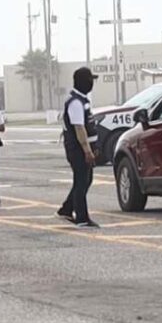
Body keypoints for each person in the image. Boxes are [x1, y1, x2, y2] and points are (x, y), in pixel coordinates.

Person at [57, 67, 101, 228]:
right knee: (82, 181)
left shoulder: (82, 101)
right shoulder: (75, 102)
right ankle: (82, 218)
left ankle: (66, 209)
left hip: (83, 148)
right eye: (90, 80)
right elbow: (79, 128)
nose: (92, 83)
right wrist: (87, 150)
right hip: (77, 149)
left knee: (84, 180)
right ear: (83, 82)